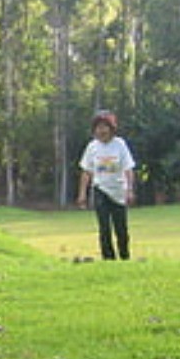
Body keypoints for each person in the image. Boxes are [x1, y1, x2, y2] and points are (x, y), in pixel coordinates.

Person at [75, 110, 136, 260]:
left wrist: (129, 190)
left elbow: (128, 169)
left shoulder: (120, 145)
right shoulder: (92, 147)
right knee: (104, 228)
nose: (101, 131)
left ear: (111, 128)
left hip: (118, 191)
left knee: (121, 229)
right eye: (98, 127)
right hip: (100, 190)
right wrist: (82, 194)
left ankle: (124, 256)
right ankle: (108, 258)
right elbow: (86, 172)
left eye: (104, 127)